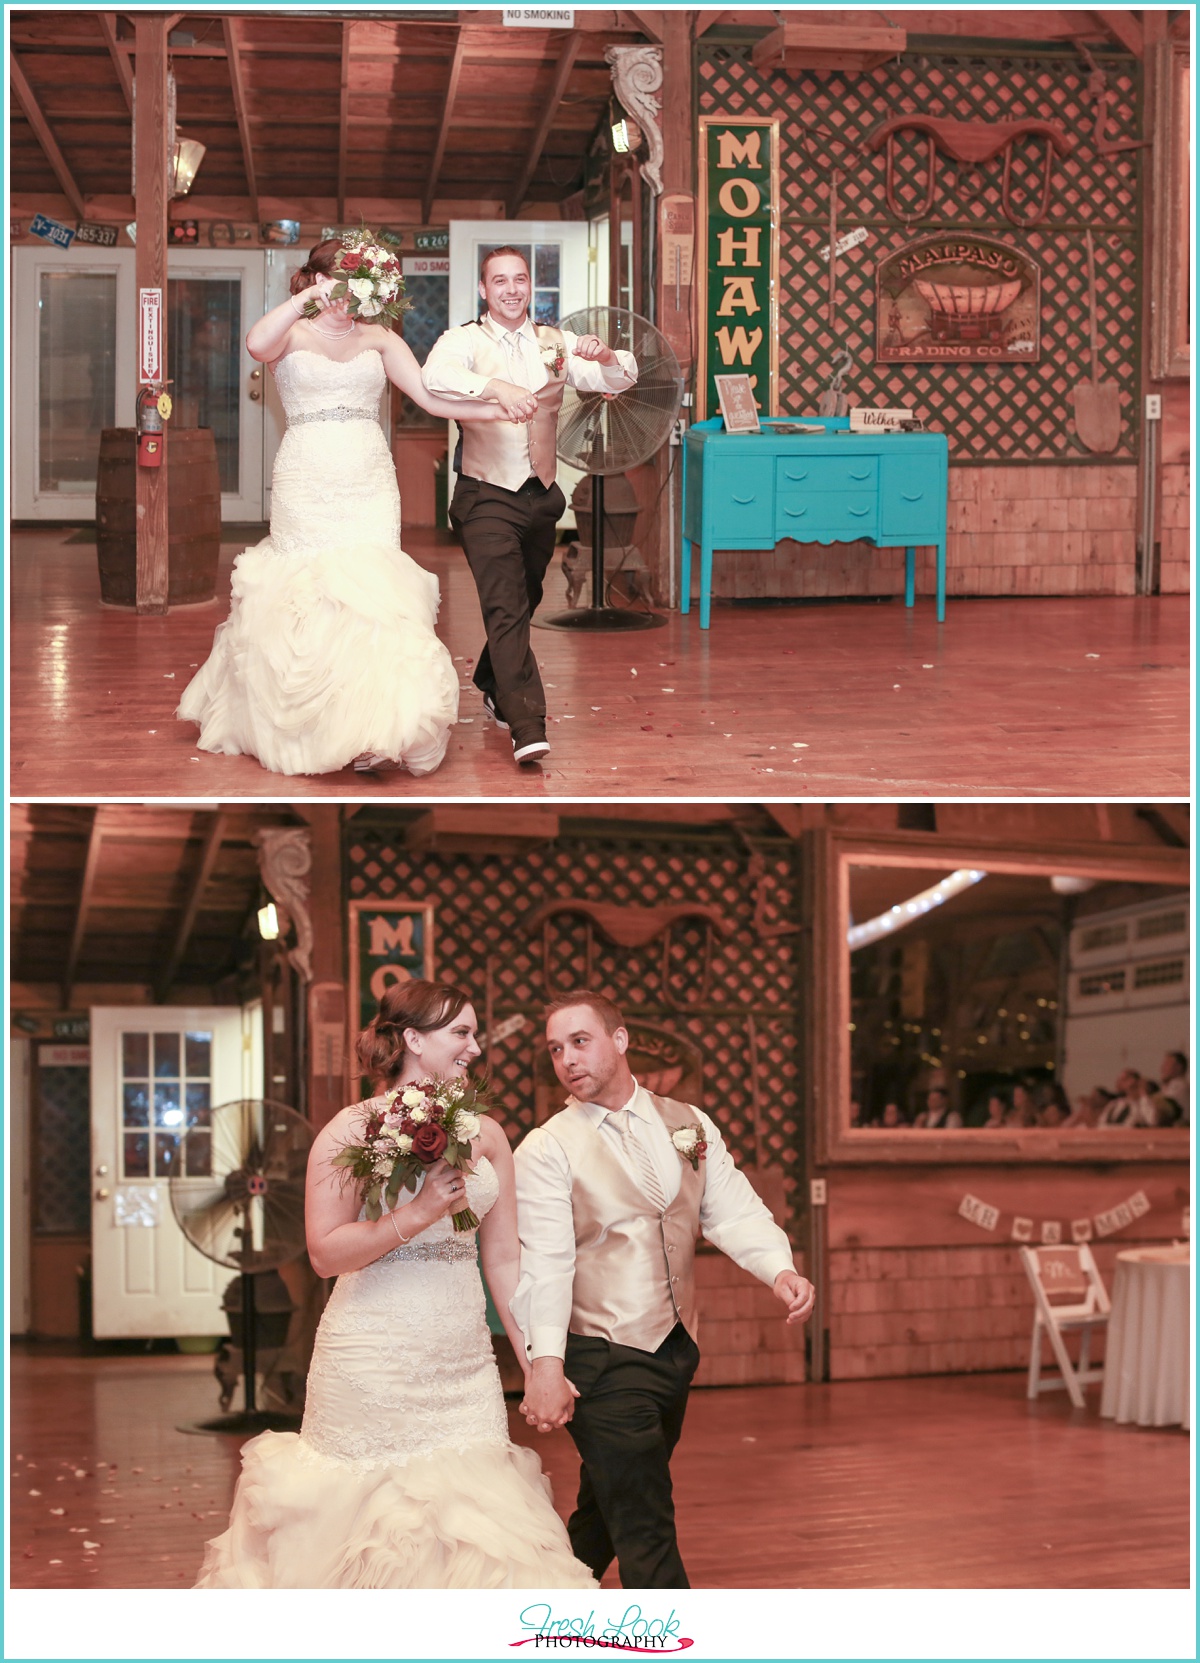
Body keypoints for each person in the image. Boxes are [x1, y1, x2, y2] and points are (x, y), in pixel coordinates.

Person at [195, 980, 594, 1589]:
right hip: (370, 1361)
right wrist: (418, 1212)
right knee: (364, 1529)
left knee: (479, 1533)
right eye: (461, 1033)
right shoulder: (350, 1131)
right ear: (412, 1039)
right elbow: (326, 1254)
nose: (476, 1048)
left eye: (474, 1033)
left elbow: (505, 1257)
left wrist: (538, 1361)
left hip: (463, 1367)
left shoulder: (487, 1135)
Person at [178, 238, 516, 778]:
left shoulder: (380, 337)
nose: (347, 297)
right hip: (306, 473)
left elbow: (429, 398)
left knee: (373, 595)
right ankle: (309, 724)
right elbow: (255, 345)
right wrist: (308, 301)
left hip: (367, 476)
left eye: (356, 285)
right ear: (316, 279)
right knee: (307, 591)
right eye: (338, 282)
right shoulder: (290, 330)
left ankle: (374, 728)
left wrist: (495, 407)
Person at [511, 991, 814, 1589]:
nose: (567, 1059)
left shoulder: (689, 1124)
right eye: (554, 1049)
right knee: (646, 1521)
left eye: (580, 1041)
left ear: (619, 1041)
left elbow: (729, 1210)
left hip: (675, 1348)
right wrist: (544, 1364)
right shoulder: (547, 1146)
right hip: (598, 1356)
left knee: (607, 1511)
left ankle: (538, 1612)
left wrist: (779, 1269)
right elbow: (545, 1262)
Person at [422, 247, 638, 765]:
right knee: (505, 606)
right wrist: (495, 387)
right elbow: (434, 377)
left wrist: (607, 358)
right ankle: (527, 725)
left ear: (530, 288)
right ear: (484, 289)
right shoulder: (463, 341)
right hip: (484, 494)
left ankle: (491, 681)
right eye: (500, 281)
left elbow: (620, 381)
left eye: (520, 280)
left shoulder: (555, 344)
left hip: (542, 498)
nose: (511, 290)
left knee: (524, 600)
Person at [1158, 1051, 1189, 1124]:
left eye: (1167, 1064)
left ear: (1179, 1067)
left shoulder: (1179, 1085)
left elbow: (1162, 1108)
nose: (1162, 1068)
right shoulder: (1169, 1086)